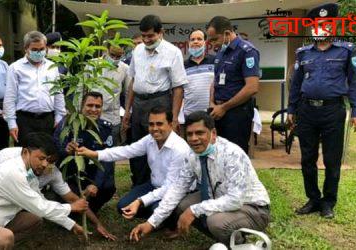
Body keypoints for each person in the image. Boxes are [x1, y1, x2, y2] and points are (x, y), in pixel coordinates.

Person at [129, 111, 270, 245]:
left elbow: (235, 200)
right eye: (189, 134)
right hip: (217, 197)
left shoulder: (232, 154)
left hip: (252, 208)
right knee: (181, 205)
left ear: (213, 133)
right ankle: (223, 237)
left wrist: (194, 210)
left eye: (200, 133)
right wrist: (151, 223)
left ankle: (237, 244)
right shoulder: (192, 155)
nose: (194, 138)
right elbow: (177, 189)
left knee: (214, 222)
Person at [287, 3, 356, 219]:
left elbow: (355, 82)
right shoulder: (303, 53)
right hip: (307, 111)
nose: (322, 27)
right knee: (307, 158)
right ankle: (313, 198)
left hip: (333, 111)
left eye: (326, 23)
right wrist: (292, 108)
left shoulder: (346, 51)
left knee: (332, 159)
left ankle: (328, 202)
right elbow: (296, 83)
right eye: (318, 24)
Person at [78, 106, 190, 223]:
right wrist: (94, 153)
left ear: (171, 124)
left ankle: (171, 223)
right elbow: (126, 151)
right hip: (154, 185)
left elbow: (169, 188)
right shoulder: (150, 140)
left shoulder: (180, 149)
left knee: (156, 208)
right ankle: (156, 218)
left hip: (174, 191)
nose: (155, 128)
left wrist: (140, 201)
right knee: (123, 206)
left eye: (159, 124)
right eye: (151, 124)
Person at [123, 15, 187, 186]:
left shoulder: (173, 52)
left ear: (161, 33)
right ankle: (139, 185)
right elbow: (133, 82)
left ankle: (164, 186)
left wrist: (174, 118)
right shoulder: (137, 51)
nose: (146, 40)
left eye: (150, 36)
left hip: (160, 103)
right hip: (138, 105)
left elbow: (178, 87)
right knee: (138, 147)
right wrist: (128, 111)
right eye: (143, 36)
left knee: (161, 146)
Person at [54, 92, 116, 213]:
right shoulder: (68, 123)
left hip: (92, 174)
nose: (94, 109)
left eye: (98, 106)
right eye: (90, 105)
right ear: (82, 106)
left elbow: (107, 159)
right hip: (71, 174)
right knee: (66, 202)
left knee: (108, 185)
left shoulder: (105, 128)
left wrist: (96, 184)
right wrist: (66, 150)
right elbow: (56, 146)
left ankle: (92, 209)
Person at [207, 16, 260, 153]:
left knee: (235, 154)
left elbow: (252, 87)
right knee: (217, 153)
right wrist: (212, 102)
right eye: (210, 40)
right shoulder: (221, 52)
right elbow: (216, 80)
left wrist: (224, 107)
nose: (213, 44)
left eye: (214, 39)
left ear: (226, 33)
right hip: (217, 111)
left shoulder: (247, 51)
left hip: (237, 113)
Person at [4, 31, 66, 145]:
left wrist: (59, 116)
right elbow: (10, 97)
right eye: (34, 50)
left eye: (41, 49)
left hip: (48, 119)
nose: (38, 52)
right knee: (25, 155)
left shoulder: (52, 67)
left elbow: (58, 93)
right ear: (26, 48)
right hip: (25, 120)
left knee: (46, 155)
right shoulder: (15, 68)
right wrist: (11, 123)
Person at [94, 44, 131, 145]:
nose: (114, 59)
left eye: (118, 57)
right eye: (112, 55)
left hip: (112, 117)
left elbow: (128, 93)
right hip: (92, 116)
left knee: (110, 152)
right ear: (106, 51)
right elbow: (82, 90)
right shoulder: (92, 65)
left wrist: (127, 113)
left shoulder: (124, 68)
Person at [182, 29, 215, 133]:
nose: (195, 41)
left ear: (205, 42)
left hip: (211, 114)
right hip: (189, 114)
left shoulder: (215, 61)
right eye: (192, 39)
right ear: (188, 43)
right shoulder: (183, 65)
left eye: (199, 39)